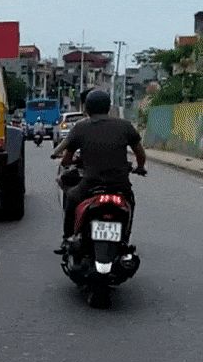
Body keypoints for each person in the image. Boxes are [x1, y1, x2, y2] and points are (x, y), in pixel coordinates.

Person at [55, 90, 147, 253]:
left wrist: (73, 161)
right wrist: (140, 167)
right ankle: (124, 238)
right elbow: (140, 153)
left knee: (71, 198)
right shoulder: (125, 126)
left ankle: (67, 237)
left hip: (90, 184)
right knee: (130, 202)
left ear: (87, 108)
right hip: (120, 184)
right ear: (108, 107)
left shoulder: (81, 127)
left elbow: (66, 160)